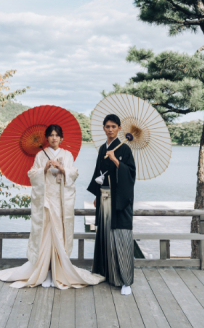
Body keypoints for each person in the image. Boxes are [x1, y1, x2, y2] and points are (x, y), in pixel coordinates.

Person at [0, 124, 104, 289]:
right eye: (51, 135)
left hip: (61, 201)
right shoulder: (40, 155)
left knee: (59, 236)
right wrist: (44, 168)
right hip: (46, 201)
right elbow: (32, 174)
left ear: (61, 138)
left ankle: (57, 273)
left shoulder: (67, 154)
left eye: (57, 135)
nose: (54, 138)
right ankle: (44, 272)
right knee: (45, 236)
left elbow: (74, 173)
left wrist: (62, 168)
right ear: (47, 138)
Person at [86, 114, 136, 296]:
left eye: (114, 126)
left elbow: (130, 174)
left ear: (119, 129)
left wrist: (116, 160)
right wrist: (97, 194)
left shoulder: (125, 150)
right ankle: (105, 273)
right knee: (105, 235)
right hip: (104, 196)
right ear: (103, 128)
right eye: (107, 126)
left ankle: (125, 281)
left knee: (121, 236)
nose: (110, 129)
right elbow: (98, 173)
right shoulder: (101, 149)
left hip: (119, 200)